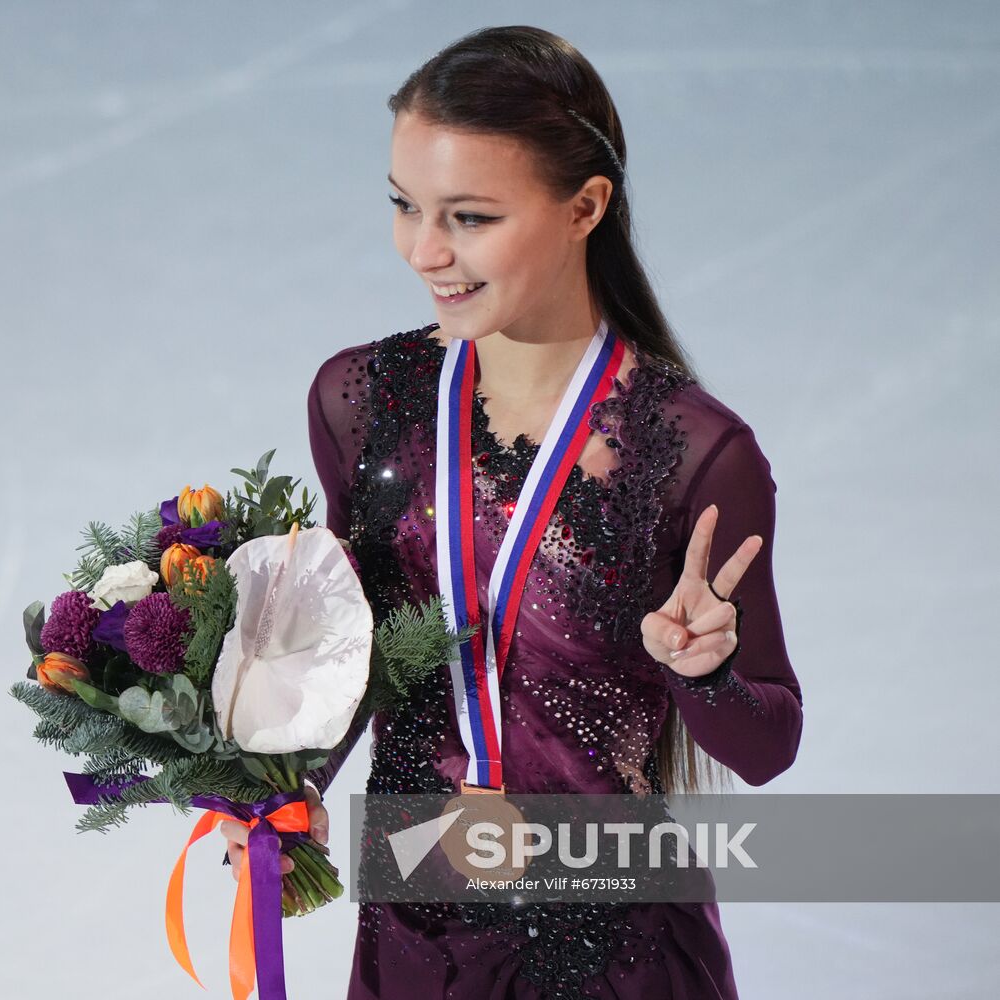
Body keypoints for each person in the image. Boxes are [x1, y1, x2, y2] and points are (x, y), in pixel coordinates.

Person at [222, 24, 803, 999]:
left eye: (471, 216)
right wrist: (284, 795)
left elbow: (768, 743)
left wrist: (701, 674)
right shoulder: (362, 400)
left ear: (584, 207)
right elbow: (358, 645)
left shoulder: (697, 452)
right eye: (406, 206)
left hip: (617, 943)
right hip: (418, 928)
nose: (425, 250)